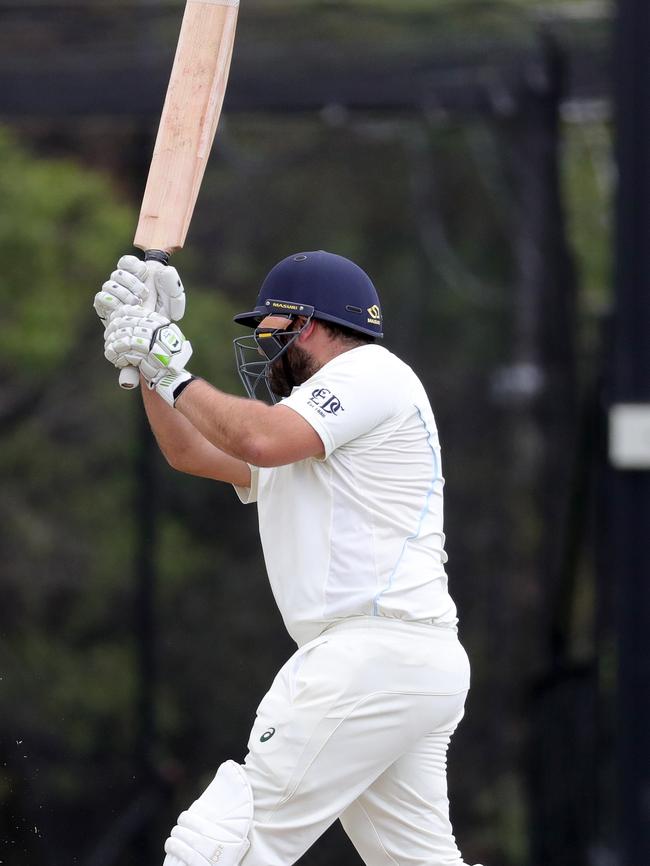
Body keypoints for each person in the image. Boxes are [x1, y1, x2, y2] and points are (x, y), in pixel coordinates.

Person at [95, 250, 483, 866]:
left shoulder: (369, 373)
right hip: (402, 663)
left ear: (312, 323)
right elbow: (191, 451)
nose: (266, 349)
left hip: (369, 654)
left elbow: (255, 438)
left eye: (273, 331)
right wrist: (147, 362)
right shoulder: (315, 426)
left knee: (221, 844)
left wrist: (170, 365)